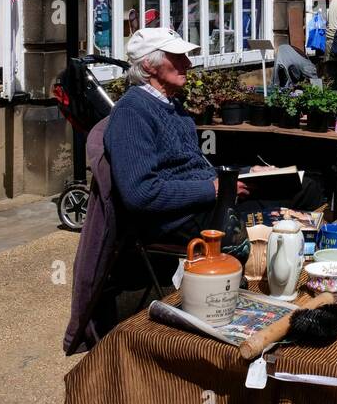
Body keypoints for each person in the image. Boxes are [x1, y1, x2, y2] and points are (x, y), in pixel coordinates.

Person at [103, 28, 319, 244]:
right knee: (281, 223)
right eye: (177, 57)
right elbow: (140, 194)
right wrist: (214, 189)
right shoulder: (131, 112)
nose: (187, 63)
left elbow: (196, 169)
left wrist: (248, 172)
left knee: (306, 188)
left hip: (206, 202)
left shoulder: (173, 105)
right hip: (179, 219)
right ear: (149, 65)